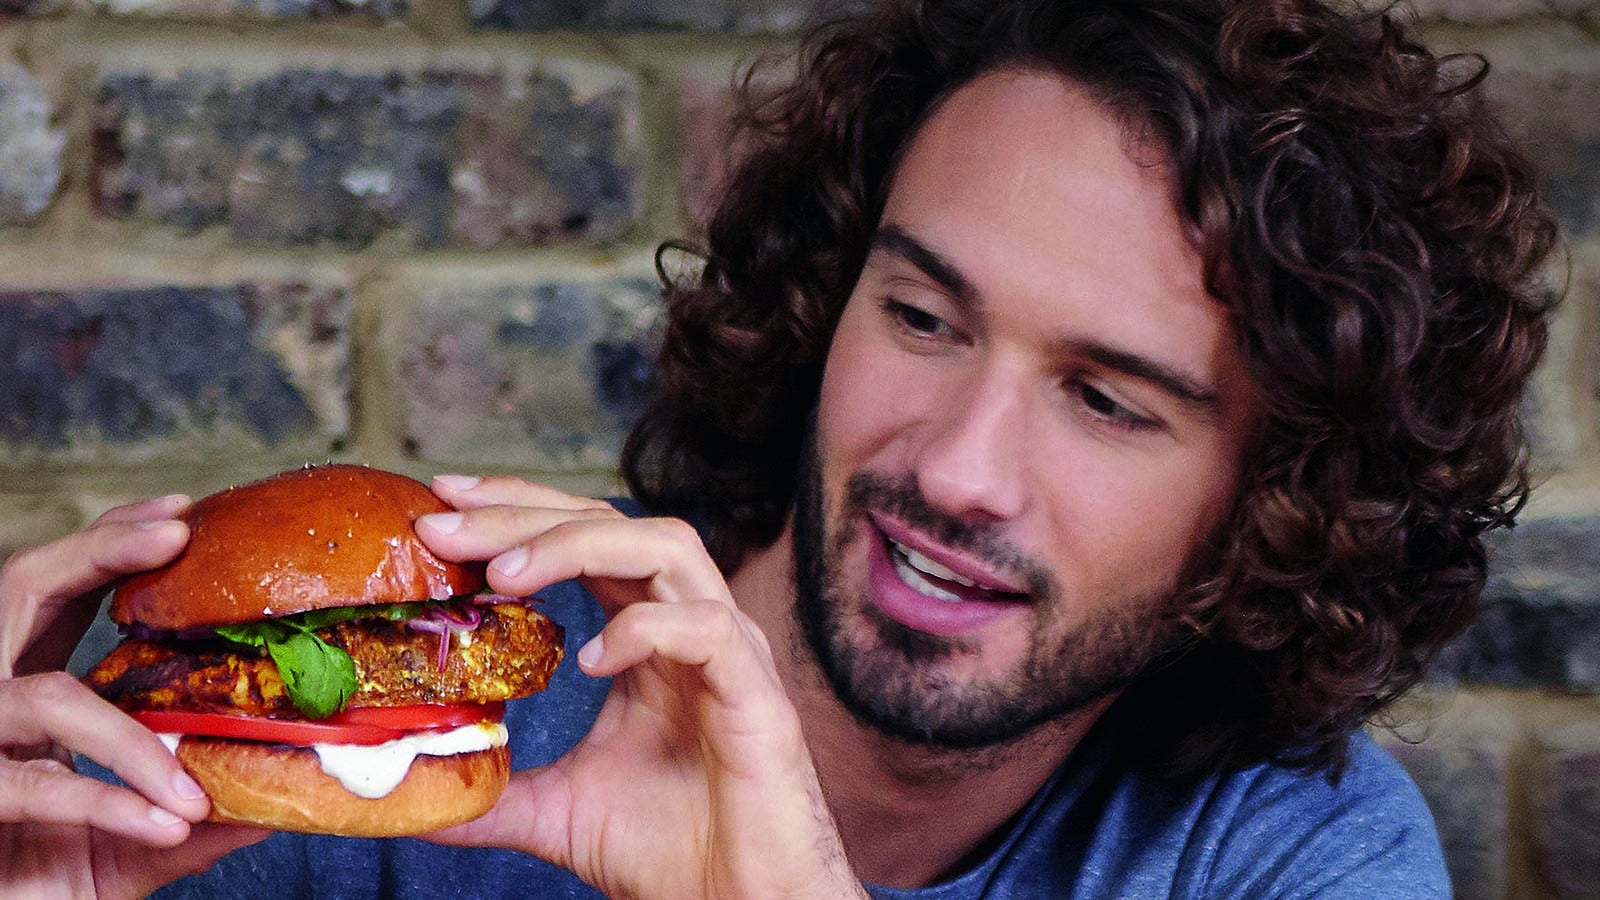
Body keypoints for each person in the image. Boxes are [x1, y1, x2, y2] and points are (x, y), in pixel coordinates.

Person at [0, 0, 1558, 896]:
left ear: (1275, 499)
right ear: (829, 300)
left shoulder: (1284, 854)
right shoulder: (370, 760)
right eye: (926, 318)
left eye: (1107, 400)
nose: (955, 468)